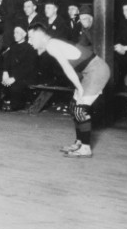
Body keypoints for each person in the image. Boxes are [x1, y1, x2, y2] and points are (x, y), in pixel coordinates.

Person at [26, 25, 111, 158]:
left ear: (40, 36)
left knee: (80, 109)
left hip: (97, 71)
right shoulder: (51, 43)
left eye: (31, 37)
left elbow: (68, 69)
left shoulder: (51, 45)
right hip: (89, 71)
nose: (29, 41)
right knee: (73, 107)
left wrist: (80, 89)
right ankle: (79, 142)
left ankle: (85, 148)